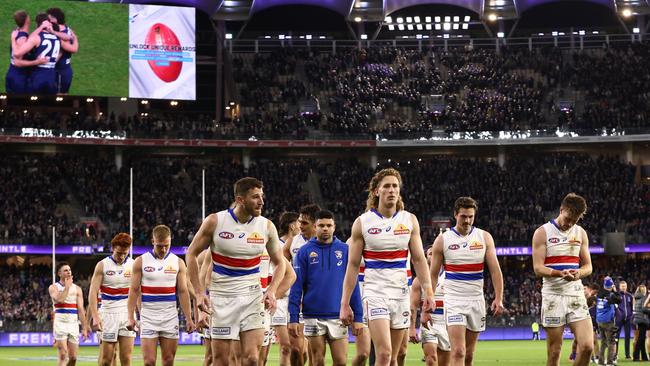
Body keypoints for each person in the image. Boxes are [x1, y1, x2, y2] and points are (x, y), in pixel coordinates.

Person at [185, 177, 286, 366]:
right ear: (240, 200)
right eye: (255, 197)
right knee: (221, 361)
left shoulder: (266, 226)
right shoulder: (216, 221)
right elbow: (191, 254)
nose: (261, 202)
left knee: (252, 359)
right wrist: (199, 293)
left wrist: (271, 291)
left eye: (262, 197)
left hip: (252, 297)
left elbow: (281, 264)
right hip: (222, 298)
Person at [340, 168, 434, 366]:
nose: (392, 190)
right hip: (374, 293)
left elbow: (419, 259)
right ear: (376, 191)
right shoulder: (362, 223)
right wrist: (345, 303)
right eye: (387, 186)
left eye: (395, 186)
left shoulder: (409, 220)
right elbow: (353, 265)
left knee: (393, 357)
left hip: (401, 293)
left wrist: (429, 293)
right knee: (383, 354)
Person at [427, 197, 504, 366]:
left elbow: (495, 270)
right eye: (463, 216)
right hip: (454, 300)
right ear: (455, 215)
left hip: (476, 300)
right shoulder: (443, 240)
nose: (467, 220)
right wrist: (429, 299)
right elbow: (432, 275)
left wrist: (498, 298)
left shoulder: (484, 237)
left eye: (471, 216)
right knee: (458, 351)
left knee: (468, 355)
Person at [289, 209, 364, 366]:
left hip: (338, 315)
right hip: (312, 315)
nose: (325, 228)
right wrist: (293, 317)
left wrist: (358, 317)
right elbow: (296, 287)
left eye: (328, 225)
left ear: (334, 227)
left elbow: (353, 285)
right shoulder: (304, 252)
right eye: (321, 225)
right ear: (315, 226)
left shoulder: (345, 250)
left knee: (341, 362)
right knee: (318, 361)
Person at [532, 193, 593, 366]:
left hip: (575, 294)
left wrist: (578, 273)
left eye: (574, 220)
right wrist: (560, 274)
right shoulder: (542, 232)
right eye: (567, 218)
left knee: (587, 346)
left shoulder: (580, 233)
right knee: (554, 353)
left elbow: (588, 266)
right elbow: (538, 268)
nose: (569, 224)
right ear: (561, 210)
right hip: (553, 295)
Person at [126, 225, 195, 366]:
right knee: (149, 362)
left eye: (166, 245)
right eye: (159, 246)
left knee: (168, 361)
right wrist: (130, 317)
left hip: (170, 316)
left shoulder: (178, 262)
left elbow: (183, 291)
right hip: (148, 316)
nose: (163, 249)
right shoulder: (141, 261)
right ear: (153, 241)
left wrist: (189, 318)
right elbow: (133, 290)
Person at [88, 233, 136, 366]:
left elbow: (138, 291)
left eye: (125, 253)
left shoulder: (133, 265)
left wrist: (140, 314)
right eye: (119, 252)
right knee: (106, 360)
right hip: (108, 314)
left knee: (126, 359)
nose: (121, 256)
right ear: (113, 248)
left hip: (126, 313)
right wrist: (96, 316)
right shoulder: (102, 265)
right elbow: (93, 292)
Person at [283, 204, 320, 366]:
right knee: (296, 349)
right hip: (296, 300)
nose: (300, 226)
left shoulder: (324, 242)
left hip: (315, 300)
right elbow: (280, 265)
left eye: (304, 223)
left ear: (315, 224)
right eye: (299, 222)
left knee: (313, 351)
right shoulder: (293, 242)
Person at [410, 247, 450, 366]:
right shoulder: (418, 280)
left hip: (447, 323)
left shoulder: (450, 276)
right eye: (430, 254)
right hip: (428, 324)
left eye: (435, 253)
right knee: (431, 359)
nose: (433, 256)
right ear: (426, 257)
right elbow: (412, 306)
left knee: (445, 363)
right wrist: (412, 328)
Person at [48, 262, 89, 366]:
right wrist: (67, 287)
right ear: (59, 273)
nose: (68, 272)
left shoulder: (77, 289)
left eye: (69, 270)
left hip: (73, 323)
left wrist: (84, 328)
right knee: (63, 355)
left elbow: (81, 309)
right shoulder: (53, 287)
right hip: (60, 323)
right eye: (65, 270)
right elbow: (60, 300)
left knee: (73, 358)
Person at [274, 211, 300, 366]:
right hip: (279, 301)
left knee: (299, 349)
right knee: (286, 346)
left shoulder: (299, 245)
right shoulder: (274, 245)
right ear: (292, 225)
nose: (301, 226)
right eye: (298, 223)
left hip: (295, 300)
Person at [5, 10, 47, 93]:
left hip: (13, 73)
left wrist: (40, 27)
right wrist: (37, 62)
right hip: (19, 77)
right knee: (20, 104)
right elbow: (17, 62)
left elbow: (30, 38)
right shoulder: (22, 39)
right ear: (27, 20)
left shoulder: (19, 33)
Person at [46, 7, 78, 94]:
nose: (48, 21)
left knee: (58, 96)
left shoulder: (59, 32)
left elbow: (62, 52)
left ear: (55, 19)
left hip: (60, 70)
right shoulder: (66, 29)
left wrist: (49, 65)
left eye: (49, 19)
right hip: (64, 69)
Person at [596, 277, 621, 366]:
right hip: (608, 321)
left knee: (603, 342)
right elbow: (619, 299)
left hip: (599, 320)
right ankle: (610, 362)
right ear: (611, 285)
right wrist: (615, 291)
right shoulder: (610, 295)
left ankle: (601, 362)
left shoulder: (599, 293)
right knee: (611, 342)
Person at [615, 280, 634, 360]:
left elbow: (632, 306)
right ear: (619, 287)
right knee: (616, 337)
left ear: (627, 287)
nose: (624, 287)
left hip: (628, 319)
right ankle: (615, 354)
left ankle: (627, 355)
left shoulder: (630, 296)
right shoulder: (616, 295)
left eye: (625, 286)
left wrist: (631, 315)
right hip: (618, 319)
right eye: (622, 286)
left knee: (627, 337)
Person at [632, 284, 649, 361]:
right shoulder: (643, 298)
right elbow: (644, 310)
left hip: (638, 319)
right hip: (643, 320)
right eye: (645, 290)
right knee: (640, 339)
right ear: (643, 291)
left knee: (641, 339)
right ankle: (636, 357)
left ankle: (644, 356)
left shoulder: (637, 297)